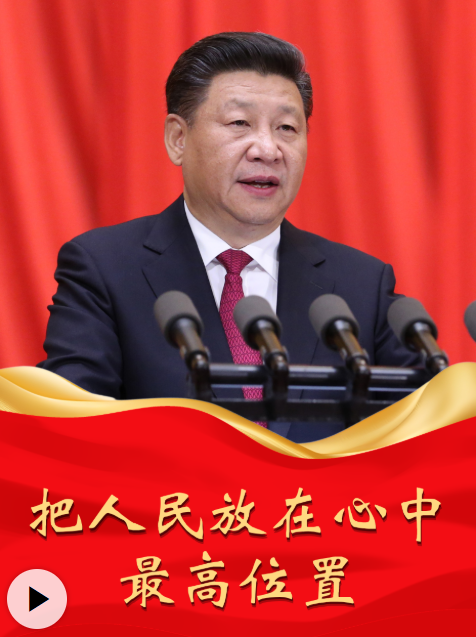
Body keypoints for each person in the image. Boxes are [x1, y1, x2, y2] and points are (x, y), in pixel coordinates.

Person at [38, 32, 419, 442]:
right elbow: (71, 431)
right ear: (178, 139)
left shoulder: (361, 285)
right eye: (240, 123)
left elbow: (417, 433)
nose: (268, 149)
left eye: (287, 128)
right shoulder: (105, 270)